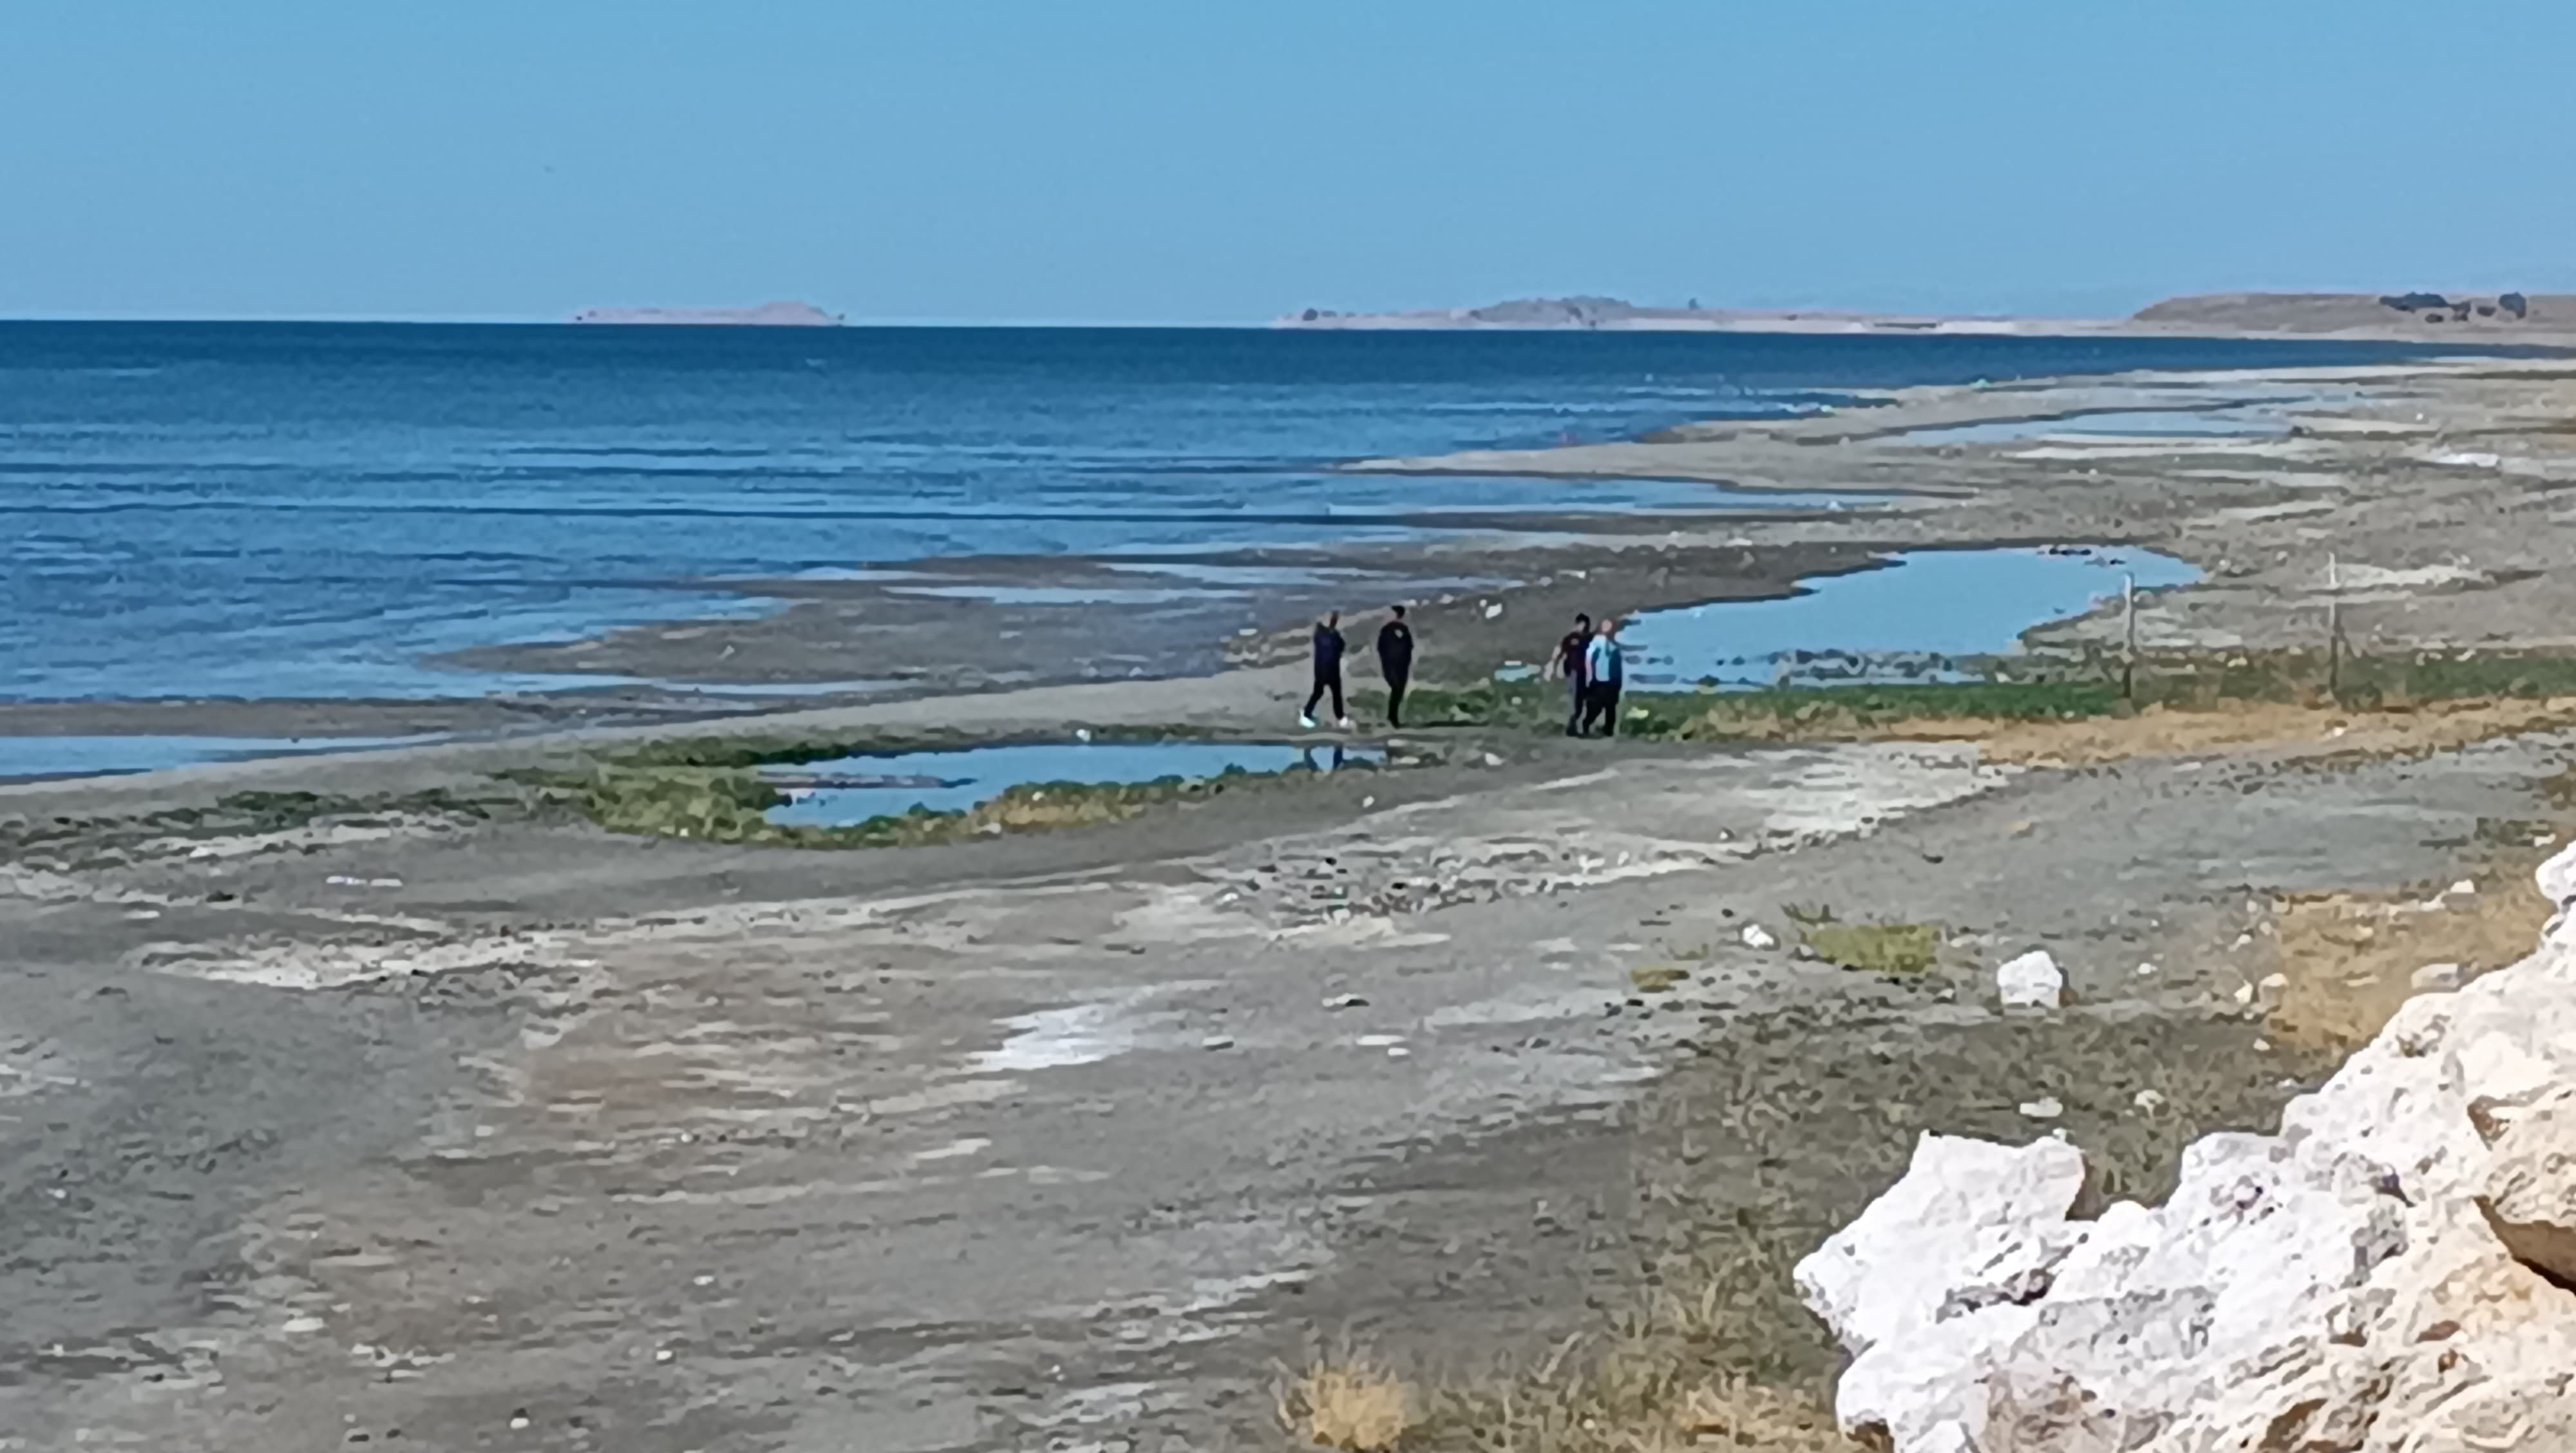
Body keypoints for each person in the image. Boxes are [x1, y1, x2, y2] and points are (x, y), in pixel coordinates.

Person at [1300, 611, 1352, 729]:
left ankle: (1307, 712)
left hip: (1321, 670)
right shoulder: (1333, 636)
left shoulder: (1319, 635)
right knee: (1335, 694)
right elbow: (1341, 646)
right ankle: (1340, 718)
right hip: (1331, 669)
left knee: (1319, 692)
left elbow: (1340, 646)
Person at [1580, 616, 1625, 737]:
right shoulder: (1597, 641)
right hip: (1599, 679)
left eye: (1610, 626)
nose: (1608, 629)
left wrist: (1618, 681)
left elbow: (1617, 664)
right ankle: (1586, 725)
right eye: (1605, 626)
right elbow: (1588, 659)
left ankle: (1608, 730)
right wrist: (1589, 677)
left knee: (1611, 707)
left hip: (1612, 680)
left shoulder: (1614, 644)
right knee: (1596, 706)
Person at [1549, 612, 1592, 736]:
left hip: (1585, 674)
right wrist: (1554, 666)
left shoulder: (1589, 638)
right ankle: (1572, 725)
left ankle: (1577, 724)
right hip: (1574, 672)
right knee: (1575, 700)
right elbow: (1561, 653)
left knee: (1581, 700)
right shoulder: (1572, 638)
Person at [1374, 604, 1414, 728]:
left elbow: (1409, 646)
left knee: (1399, 691)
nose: (1387, 615)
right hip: (1393, 664)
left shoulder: (1402, 629)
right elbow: (1381, 648)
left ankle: (1392, 716)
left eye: (1390, 613)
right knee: (1397, 689)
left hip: (1399, 665)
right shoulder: (1387, 630)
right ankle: (1392, 718)